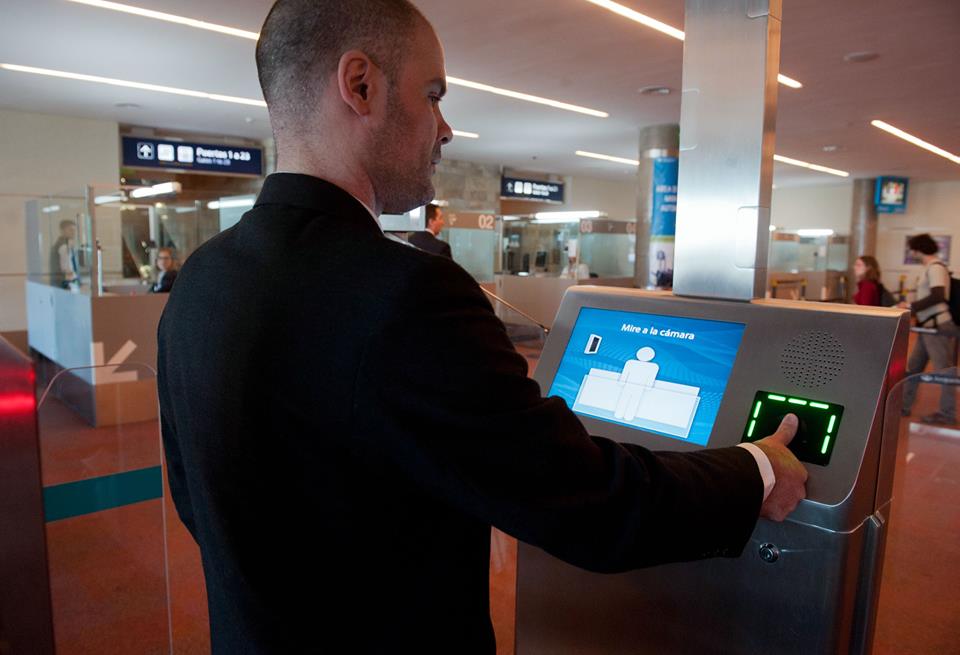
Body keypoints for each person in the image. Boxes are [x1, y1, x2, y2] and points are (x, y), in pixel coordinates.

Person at [156, 2, 807, 652]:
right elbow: (585, 501)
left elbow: (196, 499)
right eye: (432, 96)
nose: (445, 128)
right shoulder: (409, 294)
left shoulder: (201, 280)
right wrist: (756, 472)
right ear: (360, 85)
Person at [900, 234, 959, 424]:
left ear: (918, 249)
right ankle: (903, 406)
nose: (911, 252)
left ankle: (947, 413)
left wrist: (911, 306)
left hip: (938, 326)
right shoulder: (931, 268)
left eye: (912, 249)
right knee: (913, 368)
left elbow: (938, 296)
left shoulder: (935, 268)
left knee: (944, 370)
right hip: (928, 328)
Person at [50, 219, 79, 289]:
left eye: (74, 230)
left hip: (63, 283)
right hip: (65, 285)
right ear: (62, 231)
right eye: (70, 230)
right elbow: (67, 270)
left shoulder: (63, 245)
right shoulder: (63, 247)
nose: (73, 232)